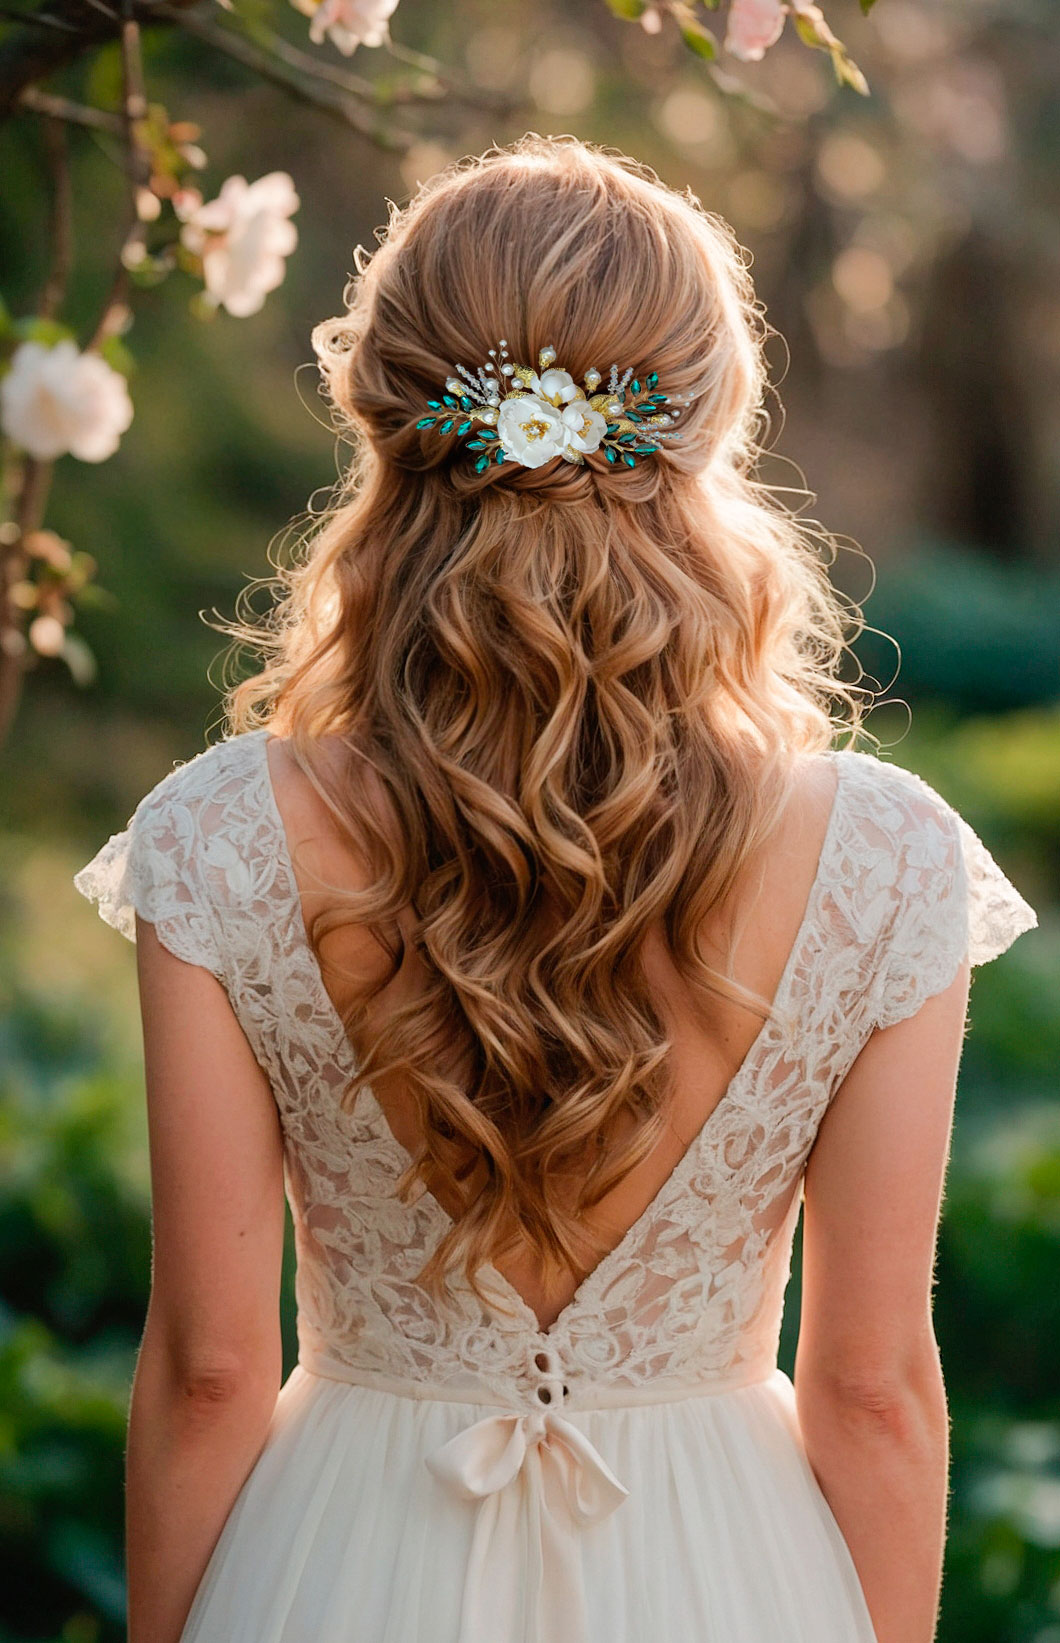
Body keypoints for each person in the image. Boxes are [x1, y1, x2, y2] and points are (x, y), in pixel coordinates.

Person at [74, 134, 1037, 1643]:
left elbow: (207, 1369)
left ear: (384, 415)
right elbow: (873, 1390)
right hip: (728, 1575)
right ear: (708, 427)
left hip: (339, 1565)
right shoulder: (882, 858)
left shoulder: (220, 834)